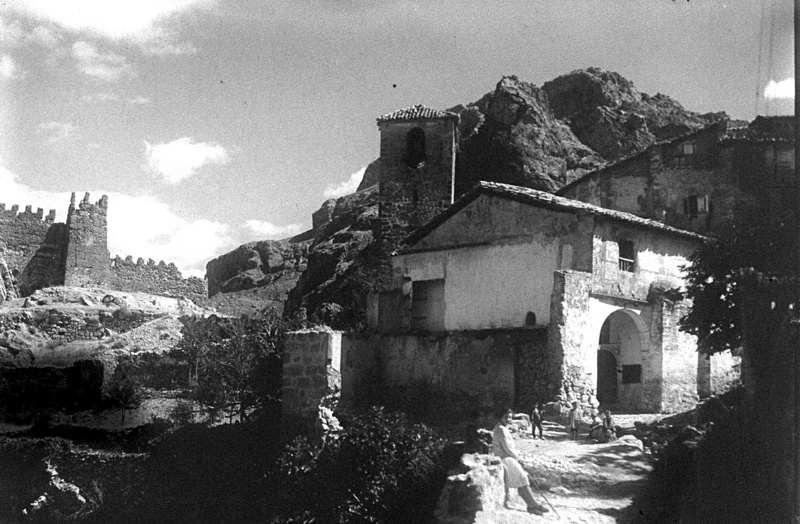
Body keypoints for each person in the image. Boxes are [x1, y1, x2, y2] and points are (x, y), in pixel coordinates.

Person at [492, 408, 549, 515]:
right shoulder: (500, 429)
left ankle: (532, 504)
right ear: (500, 417)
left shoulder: (503, 428)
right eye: (505, 417)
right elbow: (507, 448)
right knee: (522, 478)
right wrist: (517, 458)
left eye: (510, 417)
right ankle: (533, 504)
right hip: (505, 458)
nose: (508, 419)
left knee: (522, 479)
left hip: (509, 457)